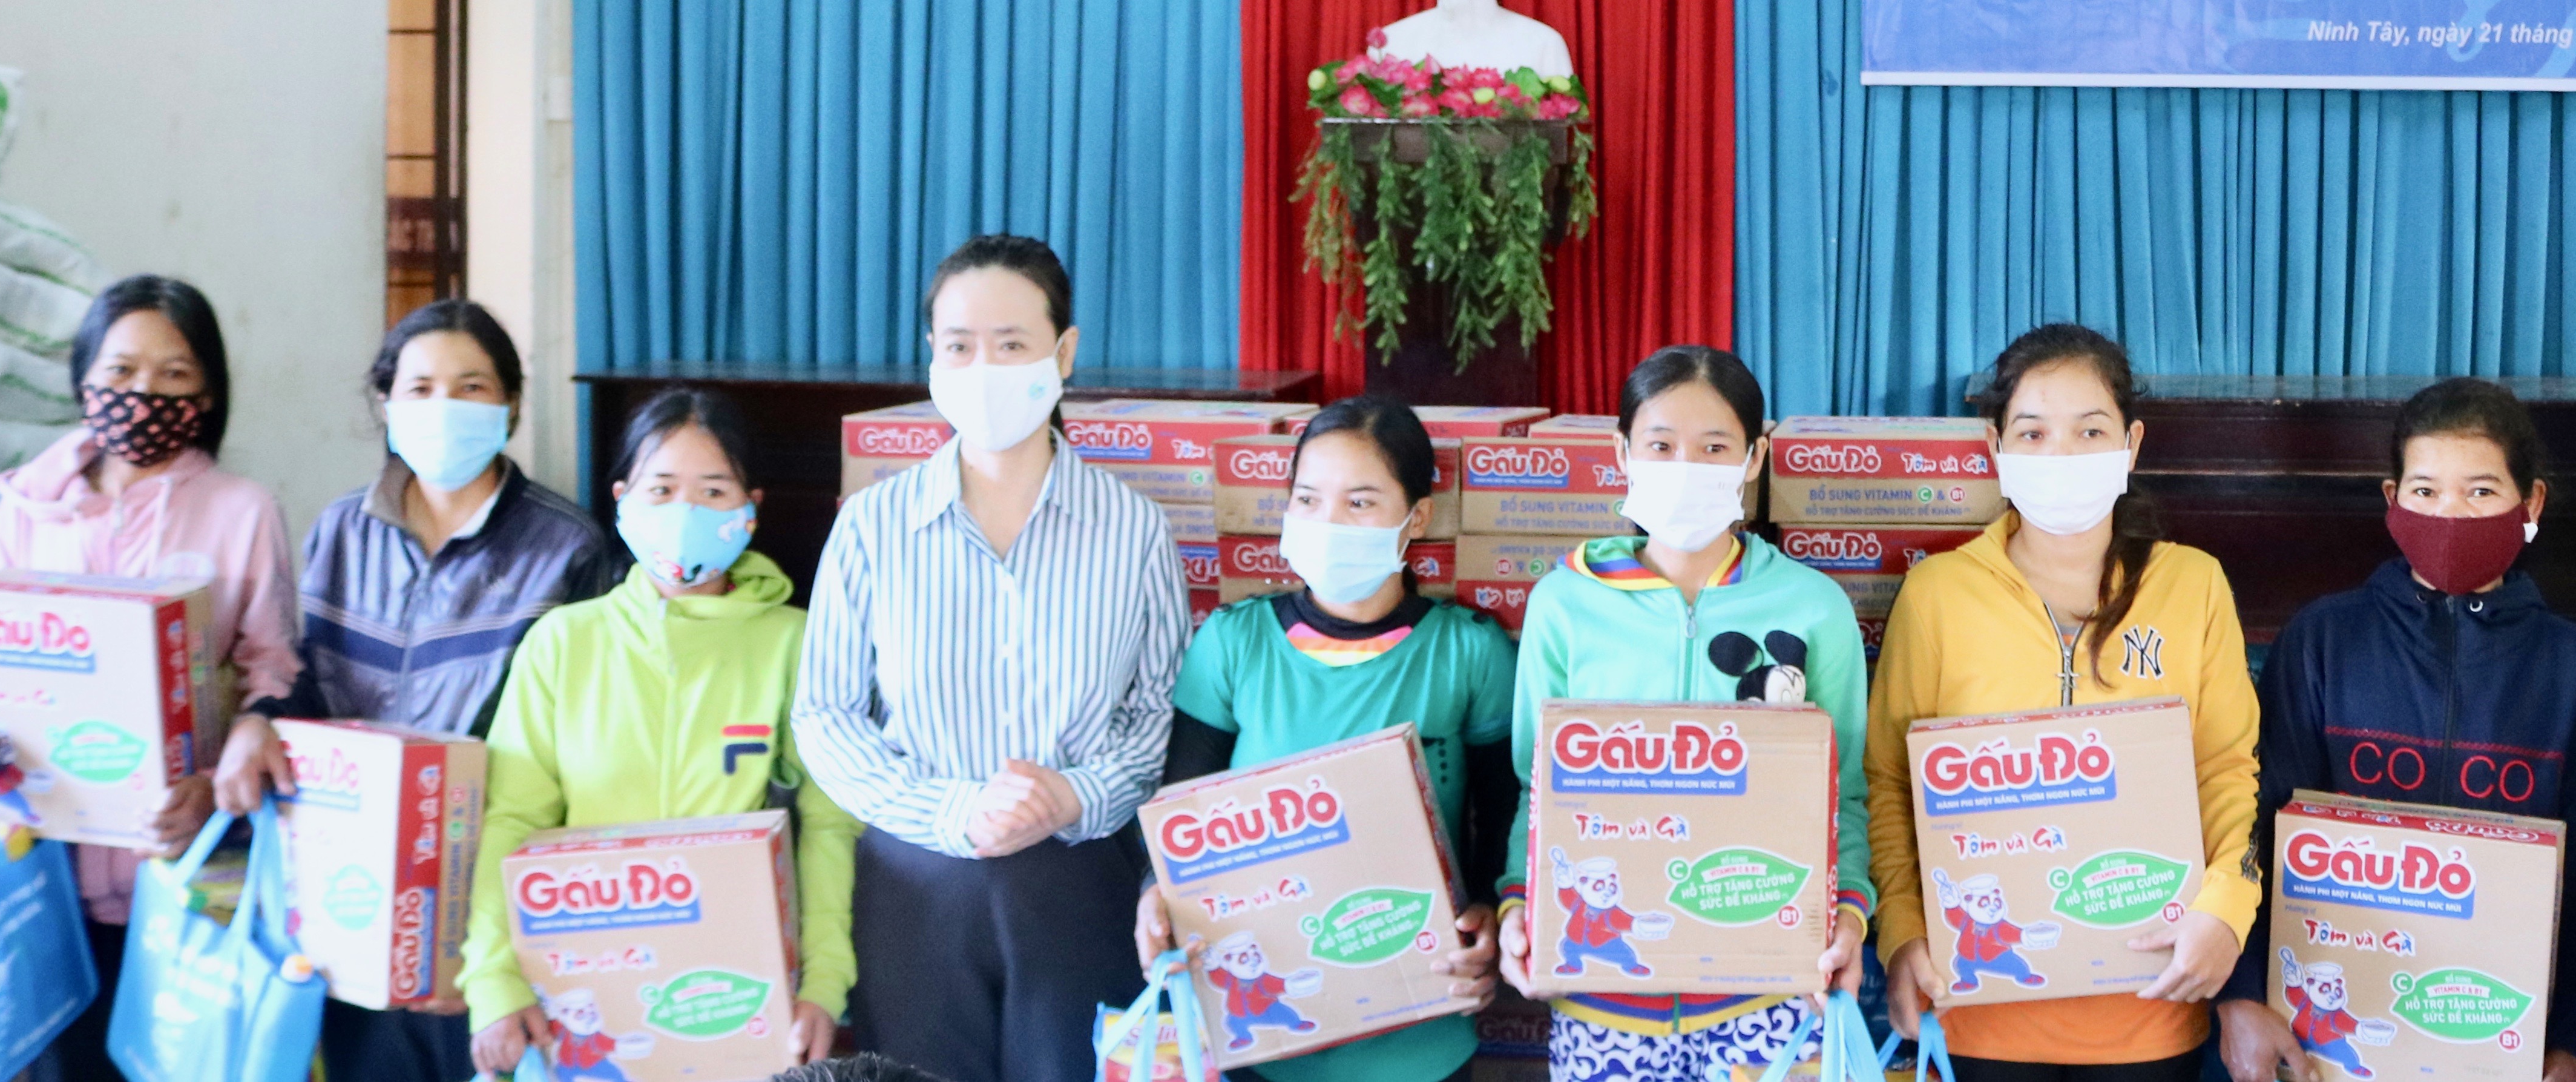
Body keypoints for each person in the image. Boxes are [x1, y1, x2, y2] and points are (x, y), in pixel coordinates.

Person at [795, 234, 1192, 1082]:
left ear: (1064, 353)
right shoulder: (873, 525)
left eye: (1011, 344)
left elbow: (1156, 712)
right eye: (959, 346)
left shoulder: (1133, 530)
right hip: (915, 886)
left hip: (1081, 883)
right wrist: (954, 811)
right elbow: (825, 714)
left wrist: (1074, 795)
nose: (983, 369)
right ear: (931, 357)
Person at [211, 297, 623, 1082]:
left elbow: (582, 741)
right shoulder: (342, 529)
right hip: (354, 895)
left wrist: (492, 948)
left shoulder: (567, 545)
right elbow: (306, 678)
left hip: (491, 898)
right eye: (421, 387)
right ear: (386, 402)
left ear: (510, 405)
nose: (445, 407)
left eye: (472, 387)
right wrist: (259, 718)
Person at [1865, 325, 2259, 1082]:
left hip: (2152, 1002)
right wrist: (1905, 933)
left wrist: (2226, 908)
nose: (2062, 454)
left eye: (2090, 431)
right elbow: (1888, 781)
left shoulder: (2193, 584)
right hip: (1981, 1004)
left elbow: (2227, 769)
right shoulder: (1937, 594)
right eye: (2033, 433)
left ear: (2131, 444)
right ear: (1995, 445)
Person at [2216, 377, 2576, 1082]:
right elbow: (2254, 825)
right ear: (2392, 501)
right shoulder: (2320, 640)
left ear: (2531, 504)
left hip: (2495, 1035)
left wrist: (2569, 1039)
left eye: (2481, 491)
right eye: (2425, 491)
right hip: (2327, 1031)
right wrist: (2242, 993)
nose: (2450, 514)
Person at [1493, 345, 1871, 1082]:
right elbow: (1536, 790)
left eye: (1715, 448)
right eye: (1661, 446)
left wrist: (1851, 917)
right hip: (1606, 998)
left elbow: (1846, 792)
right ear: (1622, 453)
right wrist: (1517, 905)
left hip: (1770, 991)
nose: (1686, 466)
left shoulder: (1814, 606)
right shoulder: (1565, 602)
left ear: (1754, 458)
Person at [456, 388, 854, 1076]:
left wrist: (825, 982)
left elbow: (829, 825)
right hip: (580, 997)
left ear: (751, 508)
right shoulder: (562, 642)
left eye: (713, 491)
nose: (686, 512)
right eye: (662, 489)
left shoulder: (797, 643)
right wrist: (491, 979)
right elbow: (510, 819)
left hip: (733, 997)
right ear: (622, 500)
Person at [1134, 394, 1513, 1082]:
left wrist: (1493, 909)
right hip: (1260, 1029)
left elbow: (1504, 810)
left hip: (1422, 1024)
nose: (1328, 521)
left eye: (1360, 503)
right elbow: (1176, 812)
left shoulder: (1470, 651)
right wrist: (1153, 898)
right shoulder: (1233, 642)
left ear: (1416, 518)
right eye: (1308, 499)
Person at [0, 275, 300, 1082]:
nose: (143, 393)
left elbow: (272, 666)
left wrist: (211, 782)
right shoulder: (24, 509)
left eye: (174, 373)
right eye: (121, 370)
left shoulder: (243, 509)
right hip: (37, 874)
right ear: (83, 378)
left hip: (179, 876)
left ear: (208, 392)